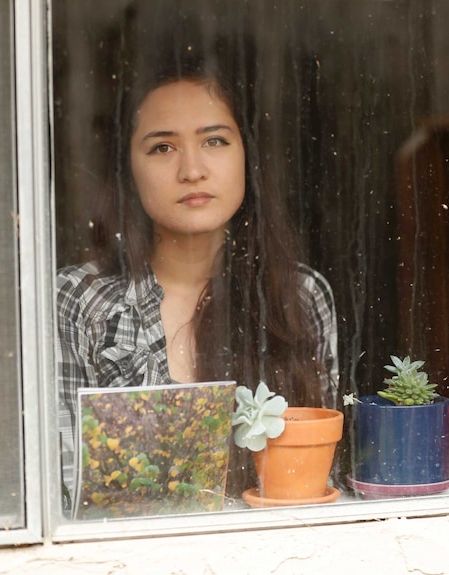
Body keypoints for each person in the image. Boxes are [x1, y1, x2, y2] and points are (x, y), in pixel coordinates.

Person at [55, 45, 339, 513]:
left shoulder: (302, 296)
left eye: (214, 140)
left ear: (247, 154)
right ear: (127, 167)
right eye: (162, 147)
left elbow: (311, 486)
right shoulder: (79, 302)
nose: (192, 170)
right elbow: (68, 498)